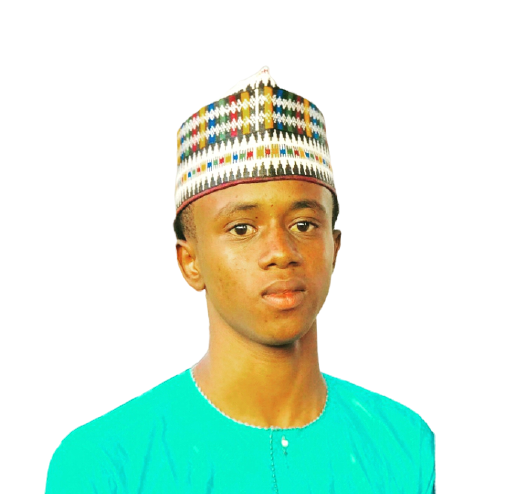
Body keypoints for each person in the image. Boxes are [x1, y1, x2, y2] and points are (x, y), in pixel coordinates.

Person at [45, 67, 435, 493]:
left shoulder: (408, 449)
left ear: (334, 247)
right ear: (190, 262)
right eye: (242, 229)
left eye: (304, 225)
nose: (281, 252)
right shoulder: (105, 463)